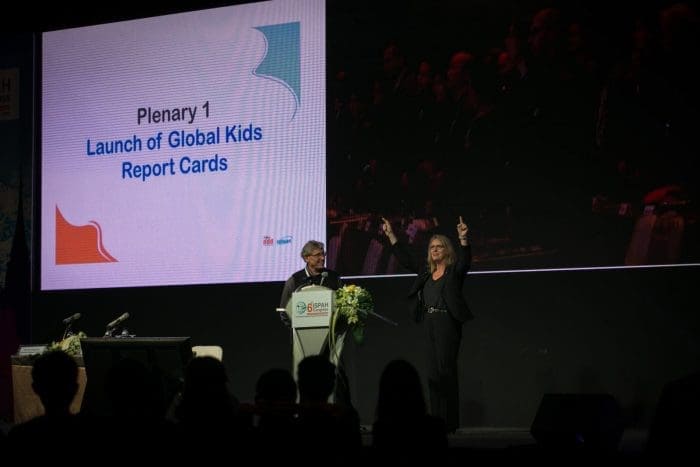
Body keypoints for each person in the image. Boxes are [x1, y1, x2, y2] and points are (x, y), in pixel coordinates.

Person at [380, 215, 473, 433]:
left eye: (439, 247)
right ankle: (437, 419)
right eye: (432, 247)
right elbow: (405, 259)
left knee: (445, 370)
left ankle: (450, 421)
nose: (435, 250)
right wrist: (391, 235)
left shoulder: (453, 272)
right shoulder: (426, 271)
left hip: (446, 322)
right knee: (432, 373)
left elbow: (465, 262)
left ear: (447, 250)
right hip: (429, 321)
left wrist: (463, 239)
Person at [278, 240, 343, 320]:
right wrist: (297, 327)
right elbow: (284, 311)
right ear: (306, 258)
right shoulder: (294, 280)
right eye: (317, 255)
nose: (322, 258)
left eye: (323, 254)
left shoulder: (334, 277)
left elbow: (342, 306)